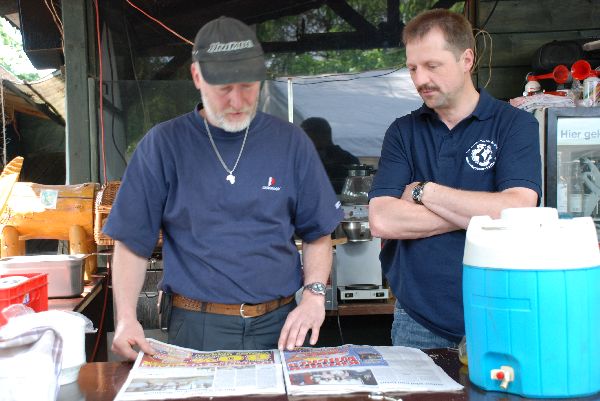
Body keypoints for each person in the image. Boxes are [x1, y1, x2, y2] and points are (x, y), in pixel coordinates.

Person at [105, 16, 343, 360]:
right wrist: (126, 318)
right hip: (196, 324)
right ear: (197, 76)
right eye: (224, 89)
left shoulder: (291, 142)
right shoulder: (163, 145)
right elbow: (131, 242)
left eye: (247, 86)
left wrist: (314, 295)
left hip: (280, 323)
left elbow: (317, 232)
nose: (237, 100)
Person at [368, 9, 541, 349]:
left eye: (432, 66)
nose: (420, 79)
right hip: (417, 319)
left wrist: (423, 191)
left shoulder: (514, 125)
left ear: (466, 60)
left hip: (500, 312)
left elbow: (519, 210)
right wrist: (481, 208)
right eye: (413, 68)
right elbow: (383, 219)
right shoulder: (403, 131)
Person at [300, 117, 360, 193]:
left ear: (322, 134)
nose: (301, 138)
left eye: (305, 133)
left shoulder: (348, 160)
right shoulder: (303, 159)